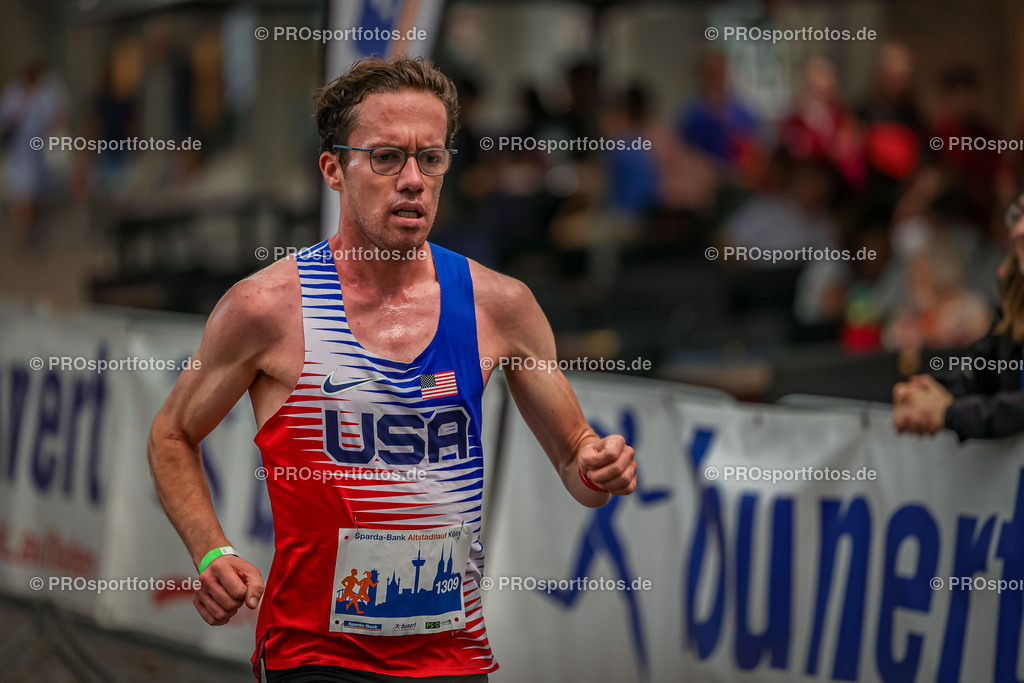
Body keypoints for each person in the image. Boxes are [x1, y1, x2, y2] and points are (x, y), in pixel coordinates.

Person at [147, 56, 637, 683]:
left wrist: (601, 464)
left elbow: (577, 466)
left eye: (430, 159)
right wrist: (210, 549)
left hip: (453, 656)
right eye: (385, 158)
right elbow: (171, 435)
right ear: (334, 169)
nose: (412, 179)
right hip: (315, 654)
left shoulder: (500, 305)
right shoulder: (266, 308)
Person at [893, 192, 1024, 440]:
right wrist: (924, 395)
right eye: (1017, 215)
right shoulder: (1013, 311)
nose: (1019, 229)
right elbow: (980, 375)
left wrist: (950, 413)